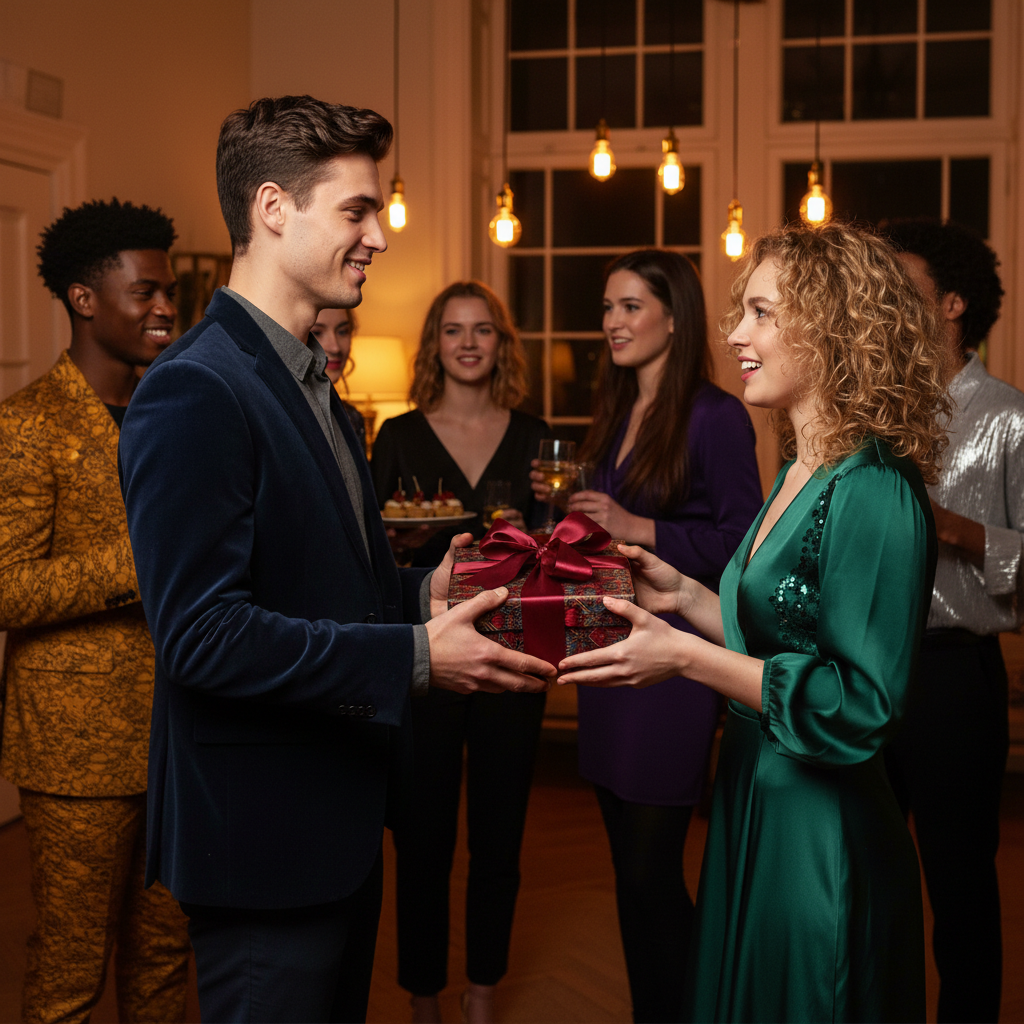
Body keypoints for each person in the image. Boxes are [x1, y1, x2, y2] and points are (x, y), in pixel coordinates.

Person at [117, 95, 553, 1024]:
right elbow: (201, 636)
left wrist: (419, 591)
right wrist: (420, 655)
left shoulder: (311, 383)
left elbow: (325, 584)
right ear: (273, 209)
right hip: (262, 842)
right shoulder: (195, 389)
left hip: (337, 825)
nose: (378, 237)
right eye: (357, 211)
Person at [558, 223, 953, 1022]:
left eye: (763, 314)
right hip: (757, 799)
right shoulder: (802, 468)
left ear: (836, 329)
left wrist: (684, 659)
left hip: (820, 831)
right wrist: (685, 596)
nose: (736, 333)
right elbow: (780, 630)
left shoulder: (874, 485)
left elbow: (860, 706)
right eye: (743, 311)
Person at [531, 250, 762, 1023]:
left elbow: (739, 544)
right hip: (606, 650)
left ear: (674, 314)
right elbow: (600, 544)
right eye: (606, 308)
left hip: (670, 664)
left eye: (631, 306)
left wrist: (639, 525)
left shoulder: (717, 415)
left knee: (651, 871)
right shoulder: (614, 407)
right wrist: (564, 514)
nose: (612, 323)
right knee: (628, 873)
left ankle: (702, 1009)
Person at [0, 199, 190, 1023]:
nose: (165, 308)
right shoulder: (26, 426)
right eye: (145, 291)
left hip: (183, 735)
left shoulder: (179, 417)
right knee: (71, 975)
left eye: (170, 292)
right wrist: (139, 567)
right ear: (84, 299)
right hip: (75, 752)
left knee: (164, 959)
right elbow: (6, 587)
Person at [370, 281, 549, 1024]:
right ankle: (422, 996)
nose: (468, 343)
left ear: (500, 344)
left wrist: (557, 518)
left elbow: (557, 548)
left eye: (482, 330)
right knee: (421, 836)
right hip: (432, 652)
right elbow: (375, 551)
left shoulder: (537, 435)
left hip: (514, 650)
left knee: (500, 837)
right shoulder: (399, 436)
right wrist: (401, 543)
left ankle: (482, 990)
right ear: (435, 346)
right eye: (453, 330)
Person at [882, 219, 1017, 1024]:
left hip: (952, 679)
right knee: (872, 870)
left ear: (954, 304)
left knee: (960, 886)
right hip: (866, 664)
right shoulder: (875, 409)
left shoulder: (1010, 418)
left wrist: (953, 527)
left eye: (903, 285)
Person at [312, 305, 366, 450]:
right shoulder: (275, 416)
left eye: (342, 332)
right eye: (317, 332)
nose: (335, 347)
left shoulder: (352, 418)